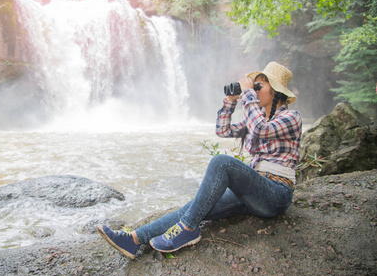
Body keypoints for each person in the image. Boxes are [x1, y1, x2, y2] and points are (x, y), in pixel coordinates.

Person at [97, 61, 302, 259]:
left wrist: (248, 94)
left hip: (275, 194)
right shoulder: (255, 119)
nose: (255, 91)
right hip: (251, 192)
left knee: (221, 162)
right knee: (196, 207)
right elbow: (222, 130)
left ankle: (187, 230)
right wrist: (230, 101)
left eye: (259, 86)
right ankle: (134, 239)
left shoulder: (292, 118)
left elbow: (261, 130)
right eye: (254, 87)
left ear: (275, 91)